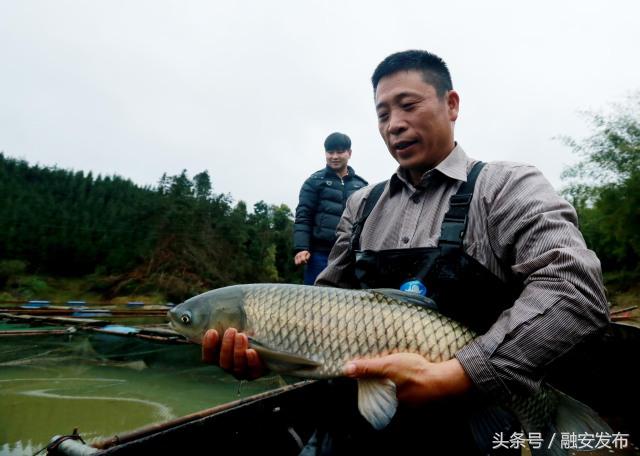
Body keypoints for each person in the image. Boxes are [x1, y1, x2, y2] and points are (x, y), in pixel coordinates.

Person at [202, 50, 610, 454]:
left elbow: (575, 289)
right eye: (382, 115)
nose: (395, 125)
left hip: (471, 429)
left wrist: (461, 373)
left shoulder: (505, 186)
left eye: (408, 105)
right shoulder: (361, 205)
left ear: (451, 105)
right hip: (360, 429)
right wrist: (271, 354)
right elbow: (320, 307)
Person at [293, 132, 367, 285]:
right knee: (315, 301)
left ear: (349, 153)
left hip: (350, 255)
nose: (334, 156)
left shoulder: (362, 186)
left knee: (349, 303)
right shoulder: (313, 182)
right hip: (319, 255)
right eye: (330, 152)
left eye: (340, 152)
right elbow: (303, 216)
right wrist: (301, 247)